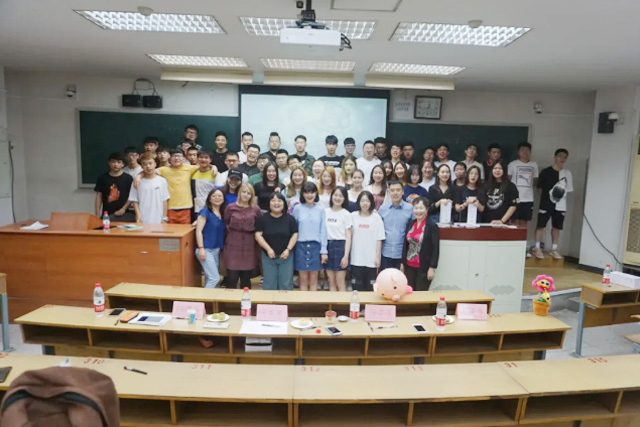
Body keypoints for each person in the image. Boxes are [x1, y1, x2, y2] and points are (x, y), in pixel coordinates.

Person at [533, 149, 573, 260]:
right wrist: (546, 199)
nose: (562, 159)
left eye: (564, 157)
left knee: (557, 227)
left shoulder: (567, 173)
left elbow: (568, 189)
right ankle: (537, 247)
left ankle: (554, 249)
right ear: (555, 157)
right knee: (541, 225)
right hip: (546, 203)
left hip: (561, 205)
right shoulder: (546, 172)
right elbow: (539, 188)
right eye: (560, 156)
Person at [255, 193, 298, 290]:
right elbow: (258, 235)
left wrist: (288, 249)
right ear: (269, 203)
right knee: (269, 284)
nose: (276, 203)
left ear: (284, 203)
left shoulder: (290, 219)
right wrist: (268, 249)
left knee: (286, 284)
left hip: (286, 256)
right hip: (268, 256)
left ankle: (285, 300)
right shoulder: (262, 218)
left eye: (279, 201)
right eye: (273, 200)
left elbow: (295, 235)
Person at [223, 184, 261, 288]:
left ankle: (245, 298)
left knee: (246, 279)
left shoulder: (256, 209)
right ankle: (230, 298)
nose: (246, 195)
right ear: (239, 193)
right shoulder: (230, 207)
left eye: (249, 193)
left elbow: (258, 225)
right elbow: (226, 222)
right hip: (233, 243)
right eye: (244, 192)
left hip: (249, 245)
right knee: (232, 277)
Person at [292, 182, 328, 291]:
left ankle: (313, 301)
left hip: (315, 246)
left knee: (314, 279)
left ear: (316, 193)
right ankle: (303, 301)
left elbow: (323, 231)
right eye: (306, 192)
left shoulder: (321, 210)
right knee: (303, 279)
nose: (309, 195)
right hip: (301, 246)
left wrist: (323, 251)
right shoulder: (297, 209)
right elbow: (294, 230)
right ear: (302, 194)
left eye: (312, 192)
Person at [154, 149, 202, 224]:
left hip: (186, 207)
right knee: (170, 230)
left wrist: (214, 167)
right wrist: (139, 176)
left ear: (184, 159)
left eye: (179, 156)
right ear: (170, 159)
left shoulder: (189, 168)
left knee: (185, 230)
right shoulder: (164, 170)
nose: (176, 158)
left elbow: (205, 166)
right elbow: (148, 171)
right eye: (174, 156)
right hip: (170, 207)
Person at [401, 197, 439, 290]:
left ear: (427, 209)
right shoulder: (410, 223)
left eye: (421, 208)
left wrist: (432, 268)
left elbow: (435, 249)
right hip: (409, 266)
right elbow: (405, 245)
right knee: (409, 292)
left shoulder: (432, 226)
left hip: (424, 267)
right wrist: (402, 263)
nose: (418, 211)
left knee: (420, 294)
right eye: (416, 208)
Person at [350, 191, 385, 291]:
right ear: (358, 202)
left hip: (371, 260)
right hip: (356, 259)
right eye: (362, 201)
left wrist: (378, 258)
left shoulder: (376, 217)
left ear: (371, 203)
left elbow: (379, 239)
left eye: (367, 201)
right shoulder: (352, 216)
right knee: (357, 288)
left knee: (370, 289)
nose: (365, 203)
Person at [379, 180, 414, 270]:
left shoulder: (410, 209)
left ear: (402, 192)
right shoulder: (383, 209)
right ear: (389, 192)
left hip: (403, 254)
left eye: (398, 190)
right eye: (392, 190)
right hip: (385, 253)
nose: (395, 193)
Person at [195, 188, 226, 288]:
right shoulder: (205, 212)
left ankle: (207, 297)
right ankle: (204, 297)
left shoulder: (223, 213)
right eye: (214, 196)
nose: (217, 198)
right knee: (214, 278)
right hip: (205, 249)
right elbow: (198, 231)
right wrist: (201, 248)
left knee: (209, 277)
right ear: (209, 199)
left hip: (216, 249)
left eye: (220, 196)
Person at [324, 187, 353, 292]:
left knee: (340, 282)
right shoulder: (325, 212)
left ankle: (343, 303)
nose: (337, 198)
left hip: (340, 247)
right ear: (331, 196)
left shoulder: (346, 214)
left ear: (344, 198)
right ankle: (332, 303)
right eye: (335, 195)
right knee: (331, 282)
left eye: (341, 196)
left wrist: (346, 256)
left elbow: (348, 237)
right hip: (327, 247)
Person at [128, 153, 169, 224]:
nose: (148, 166)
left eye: (150, 163)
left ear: (155, 164)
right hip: (143, 219)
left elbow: (164, 200)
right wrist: (138, 216)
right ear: (141, 166)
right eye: (145, 164)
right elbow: (135, 201)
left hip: (159, 219)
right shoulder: (136, 182)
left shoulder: (162, 181)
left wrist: (164, 217)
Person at [508, 142, 539, 235]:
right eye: (522, 150)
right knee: (514, 222)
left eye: (527, 150)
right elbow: (508, 180)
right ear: (518, 151)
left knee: (524, 222)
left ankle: (522, 241)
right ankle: (513, 241)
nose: (525, 152)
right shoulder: (512, 164)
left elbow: (535, 180)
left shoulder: (534, 164)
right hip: (515, 198)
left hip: (528, 198)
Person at [94, 152, 134, 221]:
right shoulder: (102, 178)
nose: (116, 164)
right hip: (107, 214)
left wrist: (123, 209)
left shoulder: (128, 178)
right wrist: (97, 214)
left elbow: (131, 196)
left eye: (119, 162)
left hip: (124, 214)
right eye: (113, 162)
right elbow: (99, 196)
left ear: (123, 164)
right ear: (109, 163)